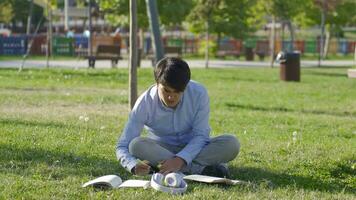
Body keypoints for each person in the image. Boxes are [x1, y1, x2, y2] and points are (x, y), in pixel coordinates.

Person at [116, 57, 240, 177]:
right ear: (157, 83)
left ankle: (167, 166)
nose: (171, 97)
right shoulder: (144, 102)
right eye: (166, 91)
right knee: (135, 145)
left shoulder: (199, 93)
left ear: (185, 86)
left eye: (177, 92)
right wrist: (132, 165)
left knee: (231, 143)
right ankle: (202, 169)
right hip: (160, 149)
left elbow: (201, 135)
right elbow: (123, 145)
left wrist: (180, 159)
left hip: (194, 147)